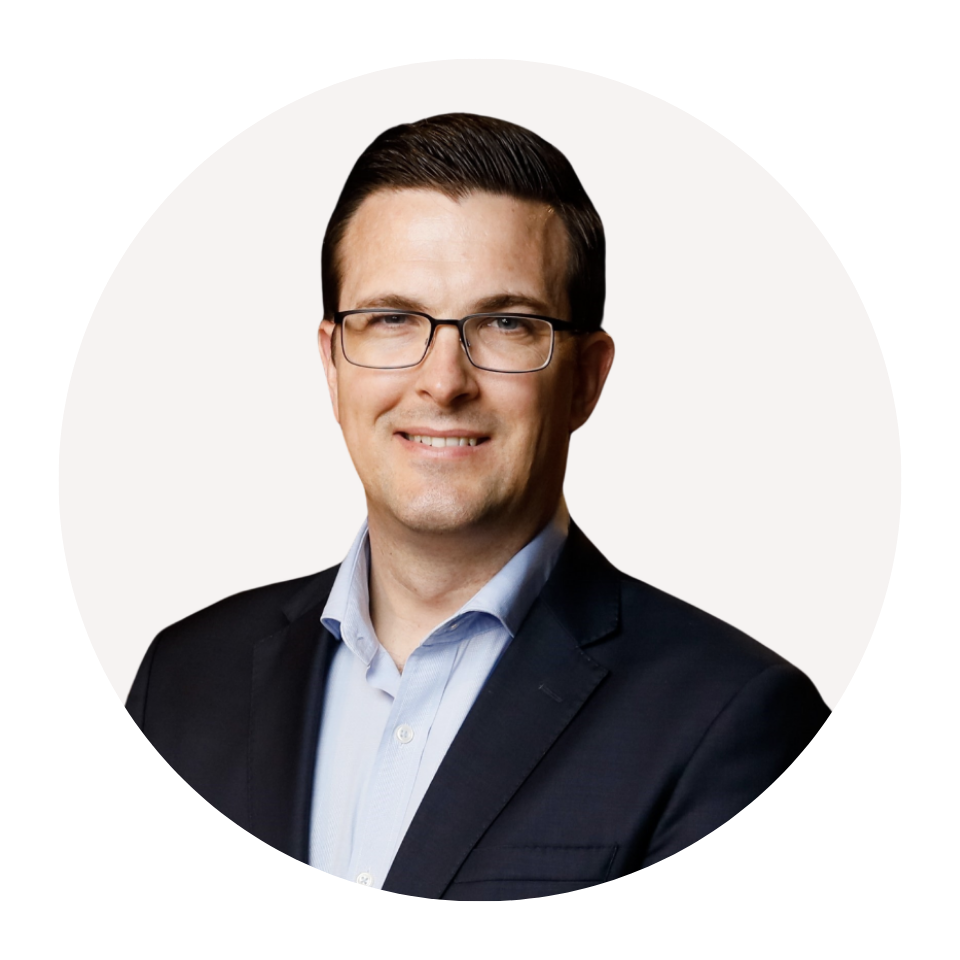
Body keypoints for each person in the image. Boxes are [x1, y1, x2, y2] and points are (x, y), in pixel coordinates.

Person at [126, 113, 830, 899]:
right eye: (392, 319)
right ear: (332, 362)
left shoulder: (731, 720)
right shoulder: (182, 681)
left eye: (505, 324)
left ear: (586, 379)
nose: (442, 382)